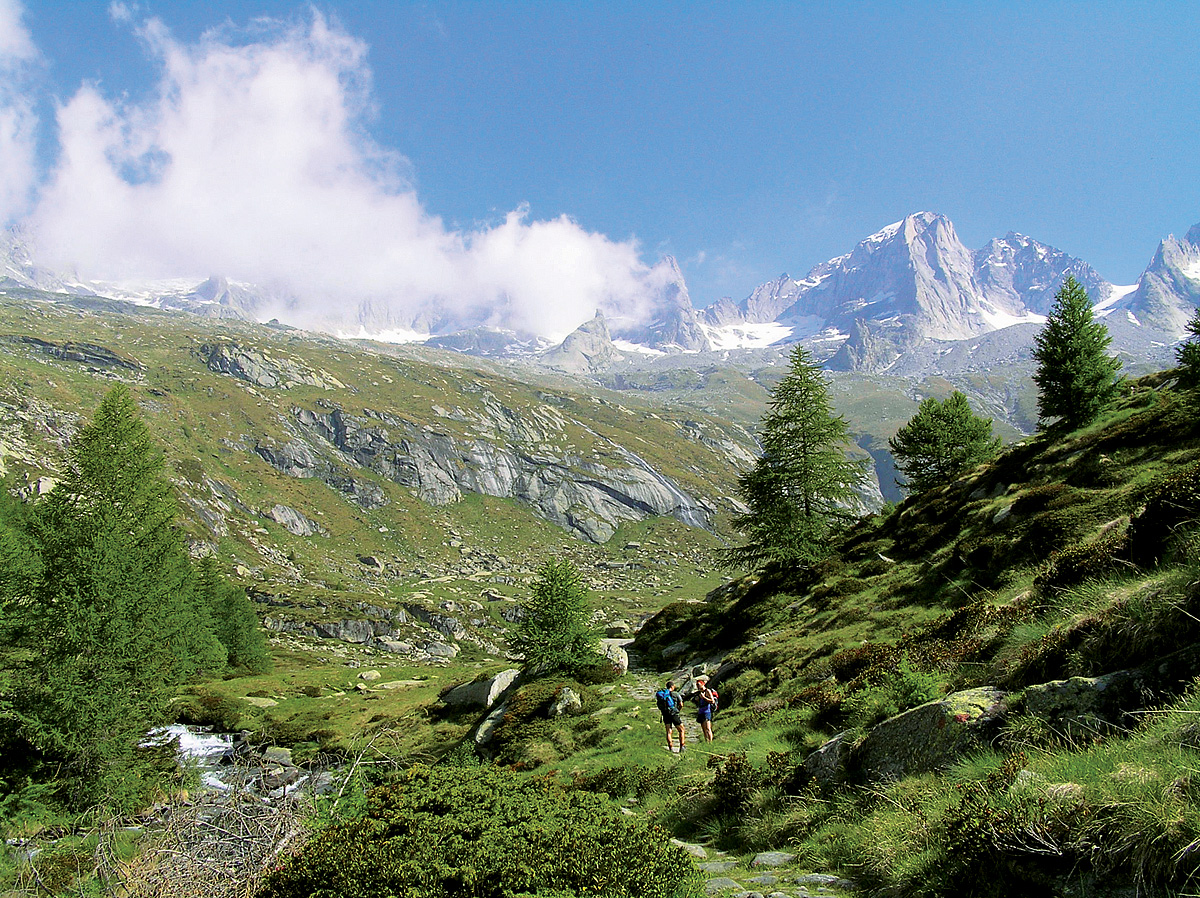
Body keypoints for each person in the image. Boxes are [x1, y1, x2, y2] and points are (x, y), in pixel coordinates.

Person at [656, 679, 686, 753]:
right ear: (672, 686)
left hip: (665, 714)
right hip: (674, 713)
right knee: (681, 730)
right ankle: (682, 746)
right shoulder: (676, 694)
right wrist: (678, 710)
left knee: (668, 731)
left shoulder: (662, 695)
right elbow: (681, 704)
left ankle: (670, 748)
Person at [694, 675, 717, 743]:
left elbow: (712, 701)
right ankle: (706, 741)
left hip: (707, 711)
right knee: (703, 729)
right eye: (697, 685)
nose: (697, 686)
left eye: (698, 684)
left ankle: (710, 742)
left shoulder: (707, 691)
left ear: (703, 684)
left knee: (708, 728)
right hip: (701, 711)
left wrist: (704, 697)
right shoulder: (699, 693)